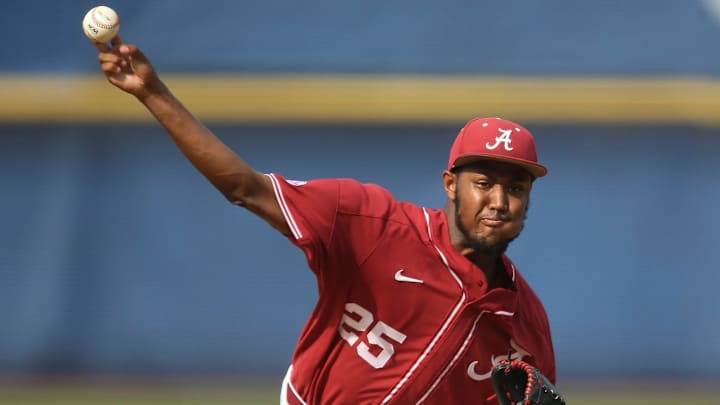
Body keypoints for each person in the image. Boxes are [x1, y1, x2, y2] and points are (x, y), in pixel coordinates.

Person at [92, 35, 557, 405]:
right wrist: (153, 94)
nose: (499, 201)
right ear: (451, 184)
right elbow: (245, 188)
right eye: (484, 183)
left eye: (515, 188)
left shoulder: (526, 324)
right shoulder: (371, 224)